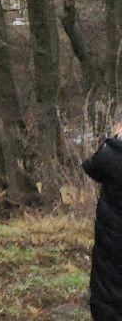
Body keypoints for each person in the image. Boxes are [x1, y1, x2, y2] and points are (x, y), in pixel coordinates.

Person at [82, 120, 122, 320]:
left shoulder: (111, 154)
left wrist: (115, 140)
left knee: (108, 289)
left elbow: (91, 167)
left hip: (112, 239)